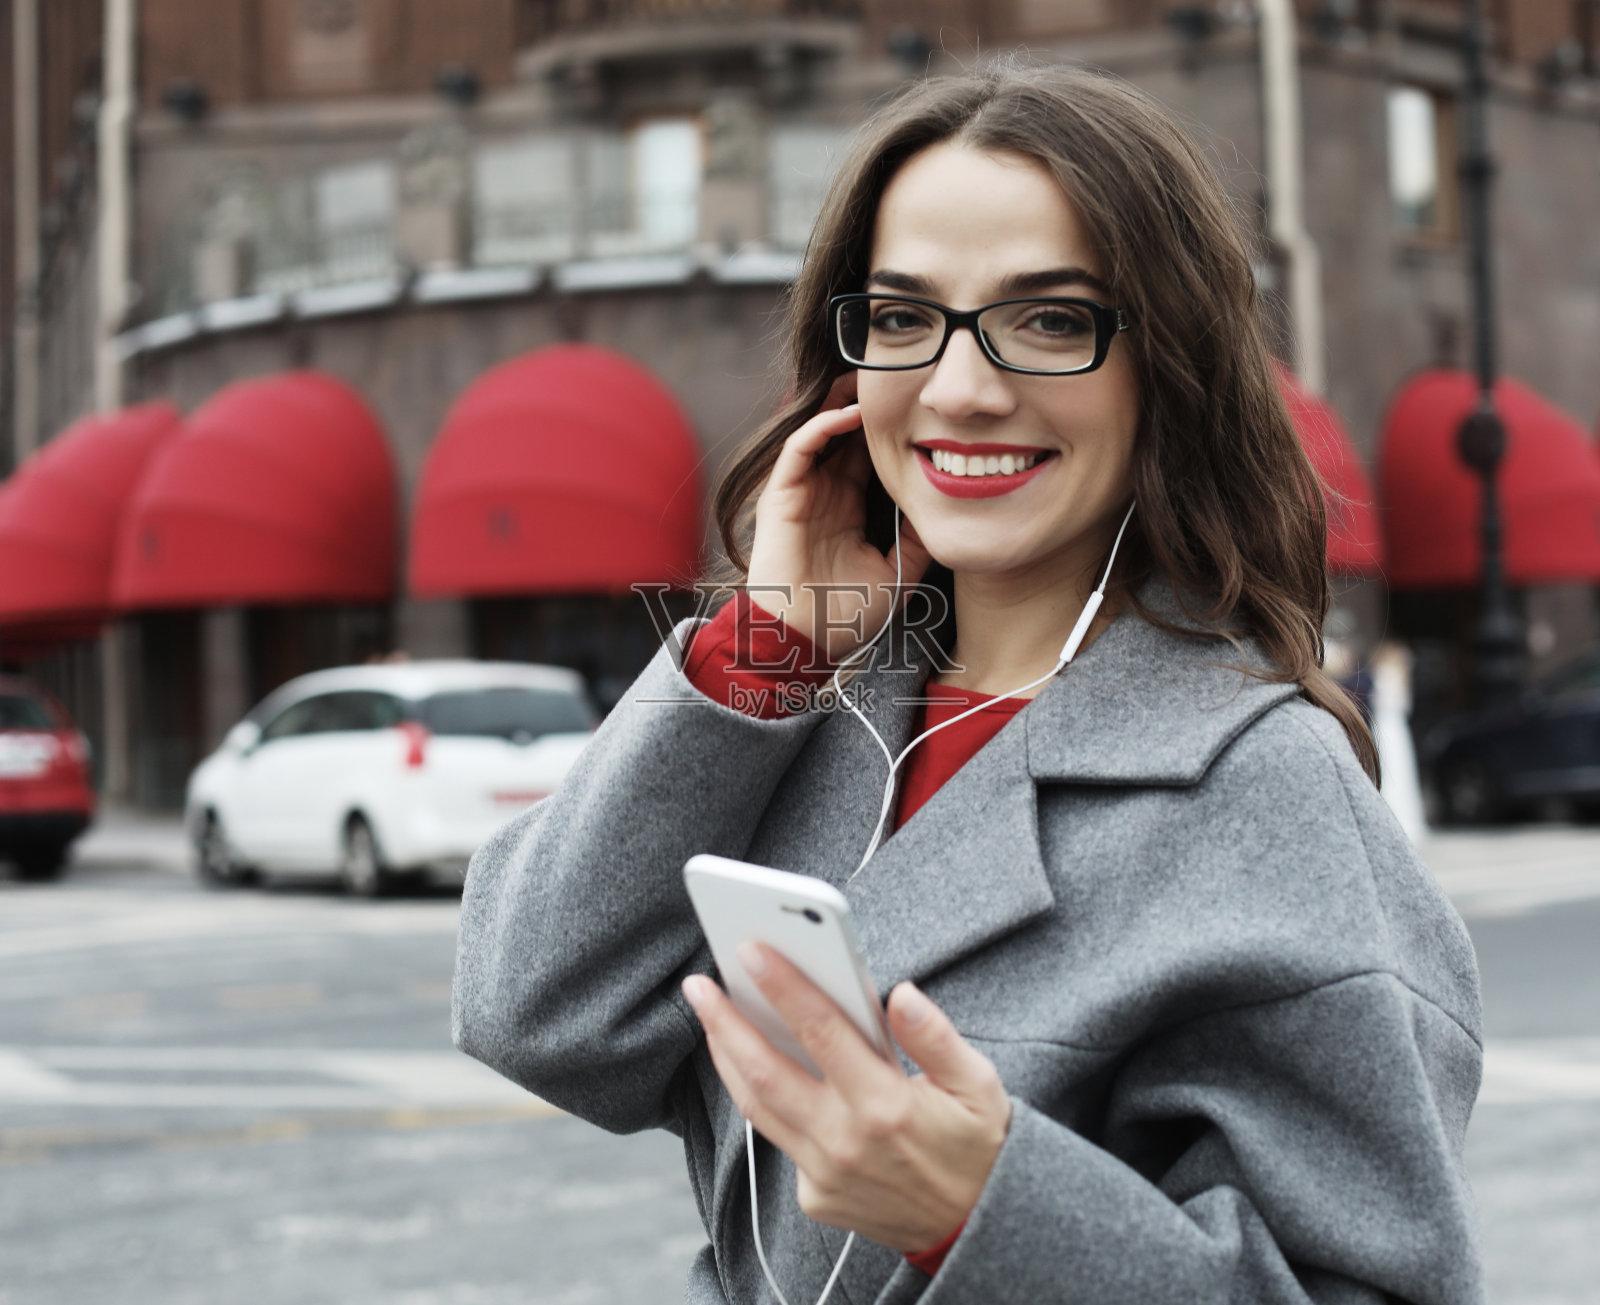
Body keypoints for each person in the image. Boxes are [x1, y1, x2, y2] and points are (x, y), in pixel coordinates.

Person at [452, 62, 1484, 1305]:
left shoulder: (1264, 787)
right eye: (902, 319)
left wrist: (980, 1217)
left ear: (1169, 364)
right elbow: (534, 1014)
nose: (959, 389)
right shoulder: (800, 712)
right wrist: (770, 641)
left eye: (1049, 320)